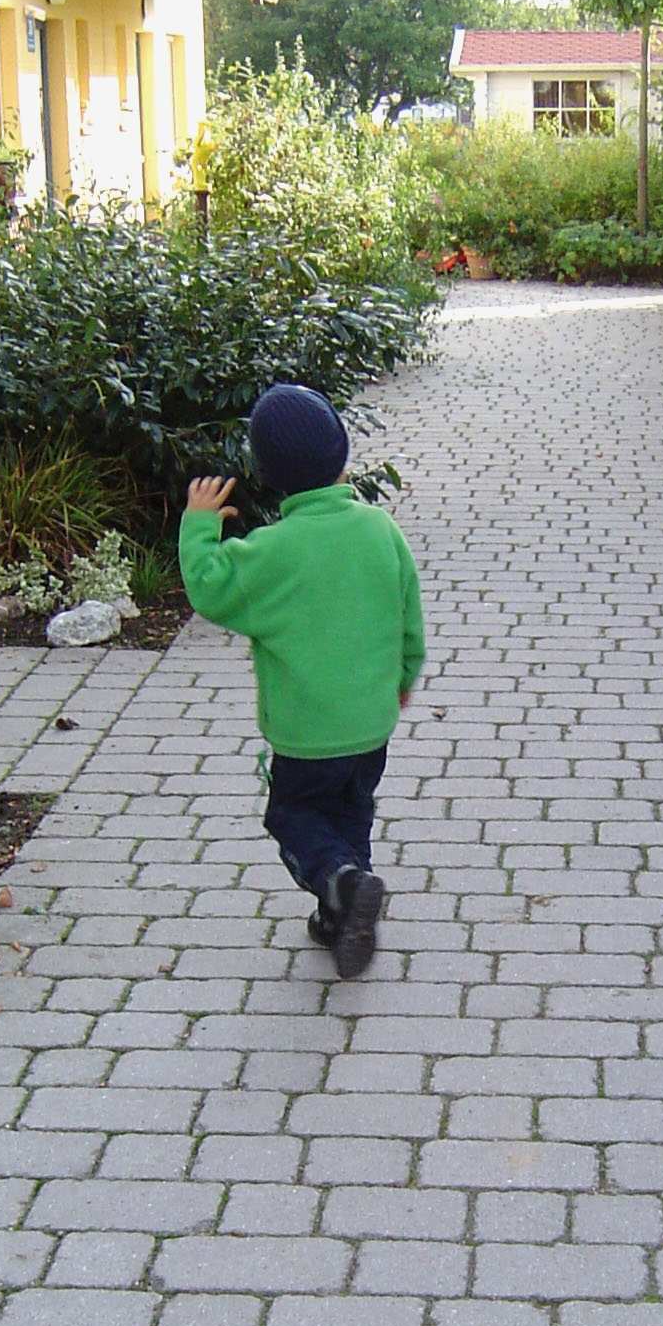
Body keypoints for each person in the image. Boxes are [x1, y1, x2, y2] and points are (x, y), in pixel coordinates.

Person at [179, 383, 425, 977]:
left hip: (306, 733)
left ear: (267, 474)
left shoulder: (273, 550)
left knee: (293, 818)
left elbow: (209, 586)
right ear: (343, 454)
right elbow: (408, 611)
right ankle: (341, 913)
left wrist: (198, 524)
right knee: (351, 815)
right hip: (371, 723)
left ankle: (341, 882)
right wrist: (404, 675)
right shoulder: (380, 528)